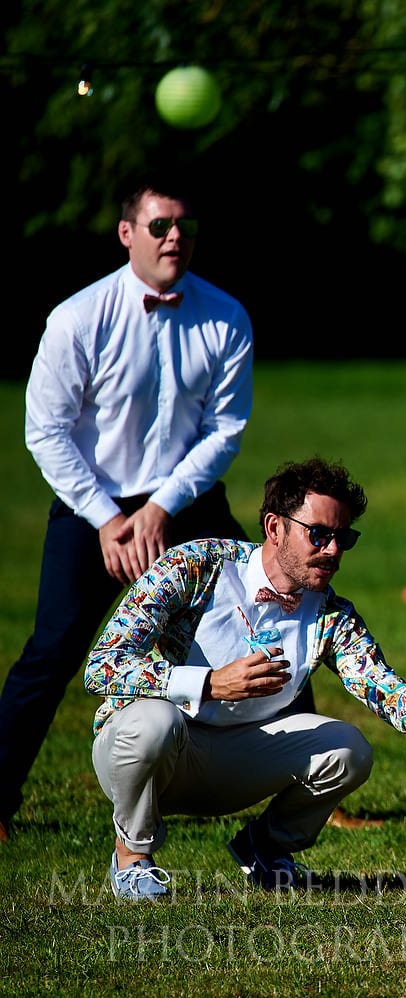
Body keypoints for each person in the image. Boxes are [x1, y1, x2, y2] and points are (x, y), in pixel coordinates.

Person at [0, 175, 253, 844]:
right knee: (52, 651)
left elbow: (225, 429)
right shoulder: (79, 316)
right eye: (161, 225)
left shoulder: (225, 315)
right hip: (95, 504)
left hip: (187, 501)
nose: (176, 237)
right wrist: (110, 519)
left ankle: (301, 777)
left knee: (264, 608)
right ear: (127, 233)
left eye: (186, 227)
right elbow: (45, 431)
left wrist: (164, 507)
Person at [83, 457, 406, 898]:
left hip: (236, 760)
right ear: (275, 527)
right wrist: (207, 683)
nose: (334, 551)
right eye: (319, 534)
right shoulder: (194, 566)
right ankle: (131, 857)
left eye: (344, 538)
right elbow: (103, 664)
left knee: (350, 749)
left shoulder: (331, 616)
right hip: (148, 752)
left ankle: (265, 849)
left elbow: (385, 692)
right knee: (154, 724)